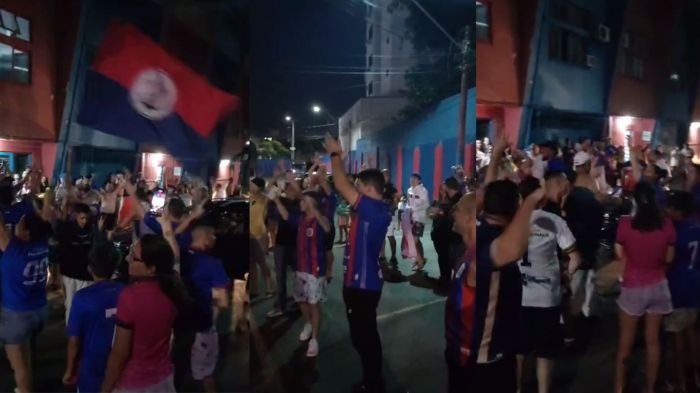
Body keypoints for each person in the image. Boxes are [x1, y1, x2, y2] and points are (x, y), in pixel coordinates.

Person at [324, 134, 391, 393]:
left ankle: (374, 383)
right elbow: (340, 185)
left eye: (359, 185)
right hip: (359, 282)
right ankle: (373, 378)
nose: (355, 189)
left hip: (363, 285)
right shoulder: (372, 208)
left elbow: (340, 182)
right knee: (362, 337)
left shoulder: (372, 207)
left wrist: (335, 154)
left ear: (368, 188)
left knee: (365, 338)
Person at [472, 178, 542, 392]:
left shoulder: (479, 229)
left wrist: (496, 157)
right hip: (488, 352)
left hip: (478, 343)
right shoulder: (493, 241)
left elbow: (489, 196)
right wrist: (531, 201)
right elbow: (512, 250)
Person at [515, 176, 581, 393]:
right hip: (547, 298)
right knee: (545, 352)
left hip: (518, 296)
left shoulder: (511, 220)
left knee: (518, 350)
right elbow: (575, 258)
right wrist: (566, 276)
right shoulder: (554, 220)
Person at [101, 234, 190, 393]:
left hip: (134, 383)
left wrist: (105, 388)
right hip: (164, 380)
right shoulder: (174, 291)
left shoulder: (129, 297)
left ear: (151, 268)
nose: (127, 258)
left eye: (134, 257)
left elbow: (120, 352)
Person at [614, 182, 675, 393]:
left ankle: (619, 387)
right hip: (658, 286)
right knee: (653, 342)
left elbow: (619, 255)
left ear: (634, 200)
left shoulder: (625, 224)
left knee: (625, 345)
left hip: (633, 286)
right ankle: (650, 388)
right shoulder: (666, 225)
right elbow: (669, 258)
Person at [0, 191, 53, 393]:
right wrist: (48, 197)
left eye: (21, 224)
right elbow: (46, 218)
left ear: (28, 232)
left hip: (16, 316)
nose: (17, 227)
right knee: (26, 354)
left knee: (19, 368)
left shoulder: (14, 250)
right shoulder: (42, 244)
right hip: (39, 311)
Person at [273, 189, 331, 357]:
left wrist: (316, 211)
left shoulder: (320, 221)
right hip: (301, 268)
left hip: (315, 270)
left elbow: (327, 228)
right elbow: (285, 215)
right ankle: (308, 323)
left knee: (314, 304)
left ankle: (314, 339)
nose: (300, 203)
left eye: (304, 201)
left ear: (312, 204)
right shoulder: (300, 219)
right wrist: (276, 199)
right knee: (301, 300)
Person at [63, 243, 124, 392]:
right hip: (122, 364)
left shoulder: (83, 298)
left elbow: (74, 341)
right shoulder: (126, 291)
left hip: (92, 365)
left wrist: (70, 369)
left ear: (90, 268)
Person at [178, 222, 230, 392]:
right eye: (213, 235)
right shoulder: (213, 264)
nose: (215, 238)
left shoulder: (181, 256)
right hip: (202, 325)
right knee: (206, 374)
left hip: (177, 326)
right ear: (205, 238)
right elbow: (222, 301)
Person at [663, 191, 700, 391]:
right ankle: (695, 374)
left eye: (670, 208)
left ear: (678, 211)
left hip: (677, 288)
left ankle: (680, 382)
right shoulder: (696, 229)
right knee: (692, 332)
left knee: (676, 337)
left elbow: (668, 262)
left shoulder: (674, 233)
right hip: (695, 285)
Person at [444, 193, 476, 393]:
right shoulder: (464, 252)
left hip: (469, 353)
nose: (453, 211)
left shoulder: (479, 259)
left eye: (459, 208)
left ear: (471, 219)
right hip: (456, 346)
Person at [56, 202, 99, 324]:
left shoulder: (91, 229)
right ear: (76, 216)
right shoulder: (66, 229)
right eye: (82, 218)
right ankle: (71, 332)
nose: (84, 221)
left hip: (86, 275)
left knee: (86, 304)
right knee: (70, 303)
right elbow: (60, 253)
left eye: (86, 218)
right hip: (70, 274)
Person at [266, 176, 301, 318]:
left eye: (293, 187)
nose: (291, 189)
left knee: (299, 275)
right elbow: (268, 189)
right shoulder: (282, 201)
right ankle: (280, 306)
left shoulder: (301, 203)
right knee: (280, 276)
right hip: (281, 243)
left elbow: (288, 217)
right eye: (288, 187)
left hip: (297, 244)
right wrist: (275, 177)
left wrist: (291, 180)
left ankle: (300, 302)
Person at [430, 177, 463, 291]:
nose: (443, 191)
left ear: (448, 187)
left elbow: (452, 217)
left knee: (449, 260)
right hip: (442, 234)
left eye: (445, 188)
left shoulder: (458, 199)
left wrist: (439, 213)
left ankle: (447, 284)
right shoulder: (449, 199)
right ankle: (445, 280)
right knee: (444, 259)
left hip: (450, 236)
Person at [249, 177, 274, 297]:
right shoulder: (248, 198)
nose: (250, 186)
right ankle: (254, 289)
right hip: (249, 234)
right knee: (251, 263)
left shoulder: (263, 199)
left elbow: (268, 188)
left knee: (262, 262)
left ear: (259, 187)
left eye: (252, 184)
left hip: (260, 234)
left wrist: (275, 177)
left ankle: (270, 287)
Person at [407, 173, 429, 270]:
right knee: (417, 242)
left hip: (419, 219)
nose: (412, 180)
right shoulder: (409, 190)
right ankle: (420, 259)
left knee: (413, 242)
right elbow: (409, 203)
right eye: (411, 178)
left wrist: (414, 209)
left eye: (414, 179)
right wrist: (407, 210)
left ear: (419, 181)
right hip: (411, 219)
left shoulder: (423, 191)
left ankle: (420, 262)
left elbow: (426, 204)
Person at [379, 169, 399, 266]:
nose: (384, 176)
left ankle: (394, 256)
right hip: (380, 214)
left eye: (386, 175)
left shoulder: (392, 188)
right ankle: (382, 256)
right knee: (381, 236)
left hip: (389, 215)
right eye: (383, 175)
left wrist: (391, 209)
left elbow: (396, 200)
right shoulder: (378, 187)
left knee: (390, 236)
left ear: (389, 176)